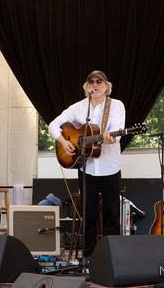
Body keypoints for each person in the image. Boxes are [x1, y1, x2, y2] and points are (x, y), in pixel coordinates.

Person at [49, 70, 125, 258]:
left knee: (112, 213)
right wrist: (64, 142)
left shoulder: (115, 106)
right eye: (91, 82)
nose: (95, 85)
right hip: (87, 167)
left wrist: (109, 137)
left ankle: (112, 256)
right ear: (86, 87)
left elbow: (116, 131)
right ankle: (88, 257)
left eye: (99, 81)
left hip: (110, 166)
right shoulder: (79, 107)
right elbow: (53, 125)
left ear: (107, 86)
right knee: (88, 213)